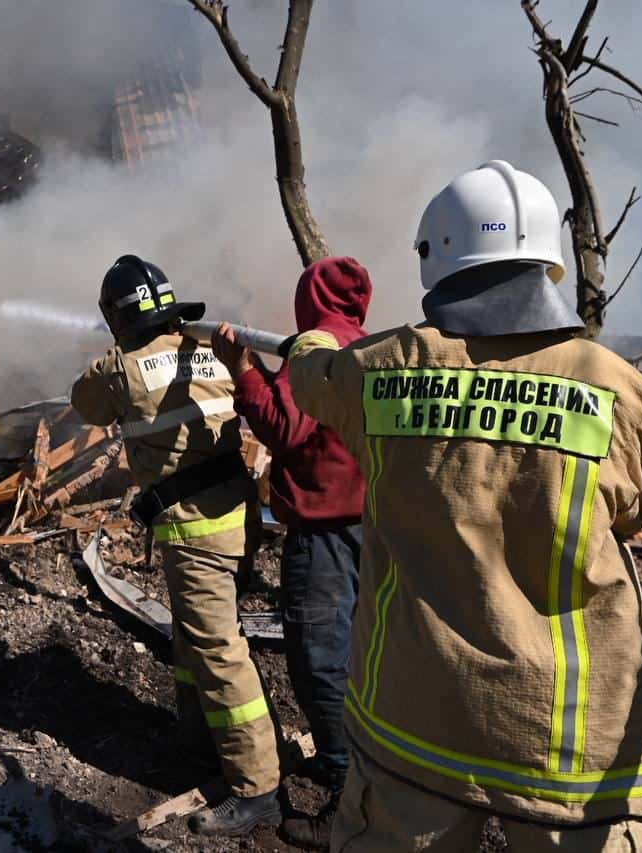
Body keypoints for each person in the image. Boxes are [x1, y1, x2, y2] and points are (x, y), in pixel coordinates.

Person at [285, 161, 642, 852]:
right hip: (574, 746)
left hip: (417, 722)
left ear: (434, 257)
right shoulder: (611, 384)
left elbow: (308, 378)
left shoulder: (382, 368)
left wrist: (317, 335)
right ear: (547, 260)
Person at [70, 254, 282, 837]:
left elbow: (83, 401)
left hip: (197, 533)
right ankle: (197, 734)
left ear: (115, 316)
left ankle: (257, 787)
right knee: (193, 633)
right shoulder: (206, 347)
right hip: (239, 517)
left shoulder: (119, 369)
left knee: (218, 651)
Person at [210, 256, 372, 849]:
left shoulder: (315, 351)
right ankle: (372, 773)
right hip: (375, 532)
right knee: (366, 659)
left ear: (309, 300)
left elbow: (284, 428)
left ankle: (346, 794)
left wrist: (244, 370)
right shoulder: (371, 346)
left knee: (321, 662)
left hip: (324, 537)